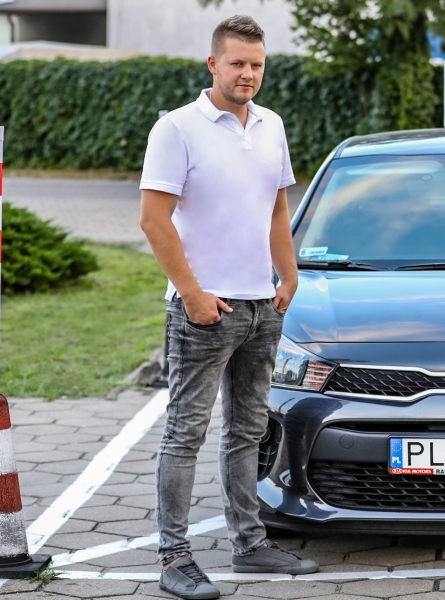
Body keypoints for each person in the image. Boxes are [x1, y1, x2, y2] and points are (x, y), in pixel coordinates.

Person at [138, 15, 318, 600]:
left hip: (262, 306)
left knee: (247, 430)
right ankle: (174, 559)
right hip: (204, 311)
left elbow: (276, 210)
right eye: (237, 63)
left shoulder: (271, 125)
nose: (248, 73)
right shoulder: (176, 128)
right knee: (185, 433)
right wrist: (192, 294)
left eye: (257, 64)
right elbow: (154, 220)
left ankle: (250, 543)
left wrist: (288, 276)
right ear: (213, 64)